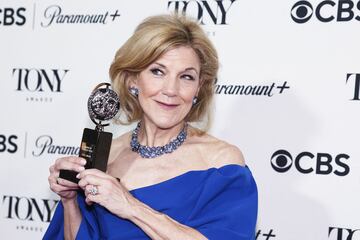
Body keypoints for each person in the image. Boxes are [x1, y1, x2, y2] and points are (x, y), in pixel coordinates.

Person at [44, 14, 258, 240]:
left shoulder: (221, 163)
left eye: (186, 77)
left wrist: (131, 207)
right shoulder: (106, 155)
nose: (171, 90)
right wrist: (69, 201)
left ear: (198, 88)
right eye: (158, 71)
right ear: (132, 79)